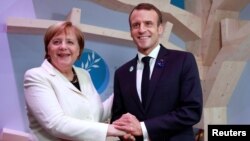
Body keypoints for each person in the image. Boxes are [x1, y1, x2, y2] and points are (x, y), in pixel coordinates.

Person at [23, 21, 132, 141]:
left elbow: (95, 116)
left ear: (79, 50)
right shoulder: (36, 76)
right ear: (48, 49)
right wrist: (114, 130)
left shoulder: (83, 74)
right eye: (56, 42)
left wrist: (123, 90)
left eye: (70, 42)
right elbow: (56, 124)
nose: (63, 46)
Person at [111, 3, 203, 141]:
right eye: (136, 25)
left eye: (148, 23)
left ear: (160, 29)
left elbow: (192, 111)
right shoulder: (121, 73)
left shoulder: (183, 60)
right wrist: (124, 132)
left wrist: (142, 128)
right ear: (131, 31)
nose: (141, 30)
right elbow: (118, 116)